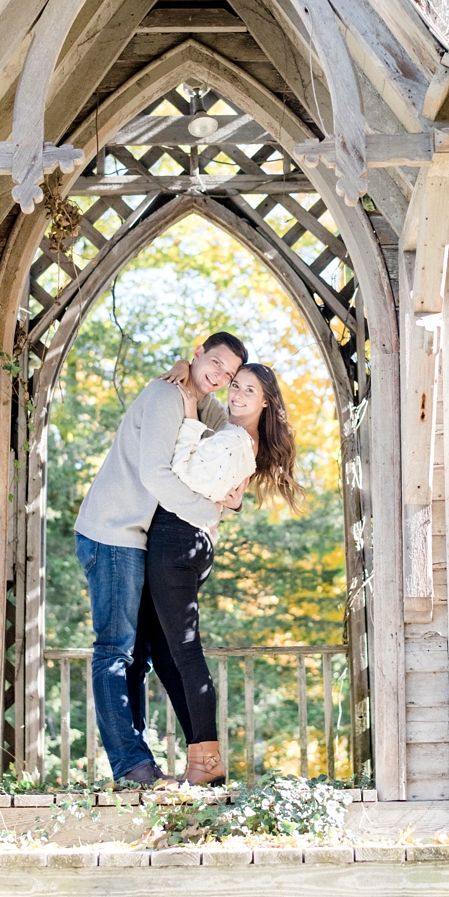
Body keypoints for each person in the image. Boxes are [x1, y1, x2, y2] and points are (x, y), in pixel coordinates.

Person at [73, 331, 247, 787]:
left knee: (139, 657)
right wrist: (210, 514)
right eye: (215, 363)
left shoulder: (200, 401)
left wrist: (235, 496)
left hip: (138, 538)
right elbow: (155, 473)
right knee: (115, 650)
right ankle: (131, 766)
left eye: (228, 374)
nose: (220, 376)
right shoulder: (164, 395)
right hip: (113, 532)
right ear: (198, 353)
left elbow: (215, 449)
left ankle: (139, 764)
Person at [137, 361, 304, 785]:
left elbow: (182, 471)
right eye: (235, 386)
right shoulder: (235, 438)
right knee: (166, 653)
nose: (237, 394)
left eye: (249, 391)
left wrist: (190, 416)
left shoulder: (233, 440)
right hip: (186, 539)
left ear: (265, 404)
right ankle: (199, 758)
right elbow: (212, 487)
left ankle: (207, 763)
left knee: (185, 653)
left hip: (176, 539)